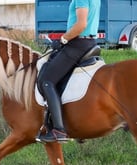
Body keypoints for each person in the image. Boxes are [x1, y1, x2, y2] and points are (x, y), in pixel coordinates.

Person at [36, 0, 101, 143]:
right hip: (89, 42)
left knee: (47, 80)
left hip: (78, 44)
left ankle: (58, 130)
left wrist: (63, 39)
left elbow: (81, 24)